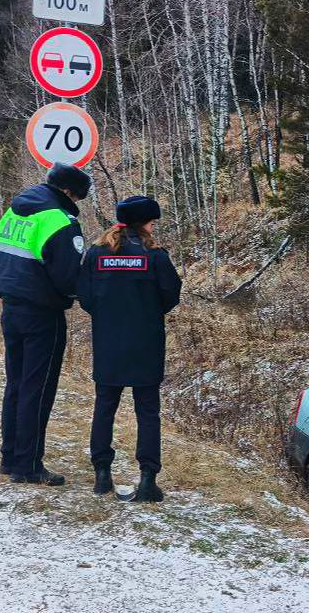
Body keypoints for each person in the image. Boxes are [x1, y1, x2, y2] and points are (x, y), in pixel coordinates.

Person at [0, 162, 92, 486]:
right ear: (67, 191)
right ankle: (29, 465)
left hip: (11, 308)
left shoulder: (13, 212)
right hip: (42, 314)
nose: (75, 203)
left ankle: (10, 457)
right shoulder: (59, 221)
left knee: (16, 384)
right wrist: (91, 293)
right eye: (76, 197)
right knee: (38, 388)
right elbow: (68, 277)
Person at [78, 196, 181, 502]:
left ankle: (102, 474)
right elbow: (171, 295)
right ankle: (148, 479)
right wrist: (147, 311)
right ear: (143, 224)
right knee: (147, 412)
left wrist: (107, 315)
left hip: (108, 342)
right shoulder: (155, 256)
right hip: (146, 343)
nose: (153, 227)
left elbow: (85, 296)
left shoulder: (96, 254)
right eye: (152, 222)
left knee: (104, 407)